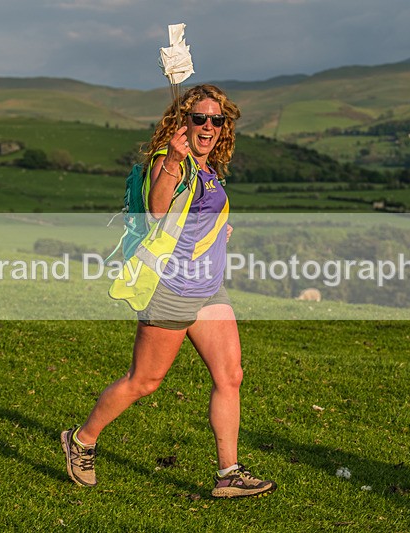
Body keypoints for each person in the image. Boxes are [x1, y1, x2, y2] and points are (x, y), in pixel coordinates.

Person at [61, 84, 276, 499]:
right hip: (172, 288)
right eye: (200, 118)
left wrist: (218, 232)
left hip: (208, 289)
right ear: (183, 122)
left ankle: (228, 473)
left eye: (217, 120)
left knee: (230, 376)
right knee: (145, 380)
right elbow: (158, 210)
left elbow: (196, 217)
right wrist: (175, 159)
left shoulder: (208, 167)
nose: (209, 126)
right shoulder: (170, 159)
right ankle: (82, 440)